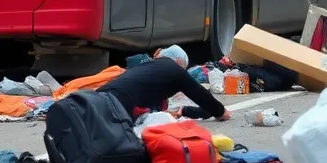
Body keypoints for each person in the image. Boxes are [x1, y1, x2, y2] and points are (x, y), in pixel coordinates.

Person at [99, 55, 233, 121]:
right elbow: (201, 95)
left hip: (99, 97)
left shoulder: (149, 67)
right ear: (179, 62)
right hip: (118, 104)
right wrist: (221, 112)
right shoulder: (176, 72)